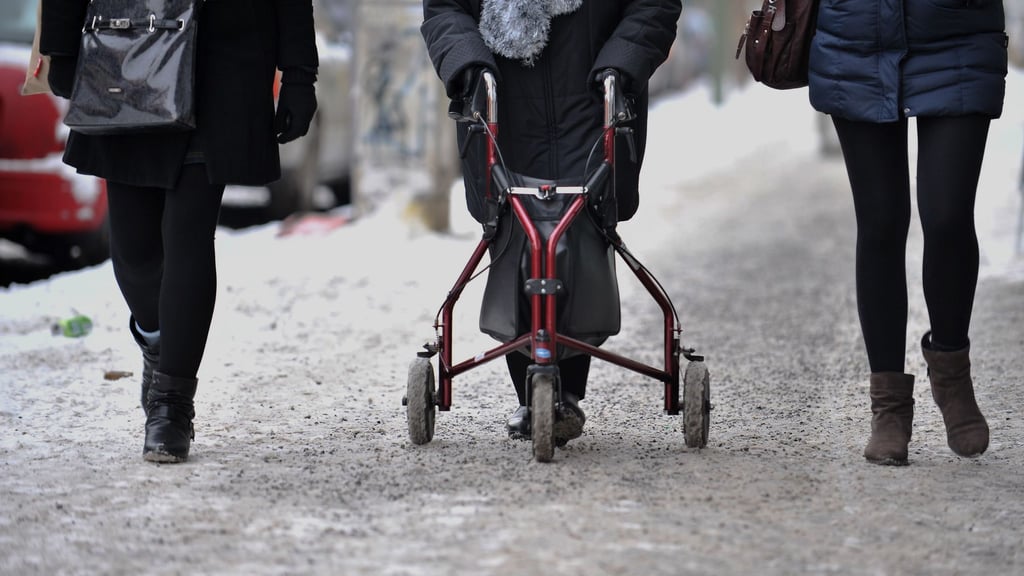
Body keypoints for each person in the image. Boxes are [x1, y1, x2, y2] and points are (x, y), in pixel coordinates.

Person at [39, 0, 319, 463]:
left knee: (188, 234)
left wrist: (298, 74)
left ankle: (172, 406)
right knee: (133, 251)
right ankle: (155, 339)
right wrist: (62, 49)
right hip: (128, 49)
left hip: (222, 64)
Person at [421, 0, 681, 443]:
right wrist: (467, 60)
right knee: (515, 235)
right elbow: (445, 9)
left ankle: (565, 392)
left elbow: (654, 5)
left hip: (594, 99)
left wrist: (622, 61)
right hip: (501, 107)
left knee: (579, 231)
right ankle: (533, 392)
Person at [808, 0, 1008, 465]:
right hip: (857, 38)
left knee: (948, 216)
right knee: (880, 223)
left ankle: (952, 370)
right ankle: (889, 407)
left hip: (958, 34)